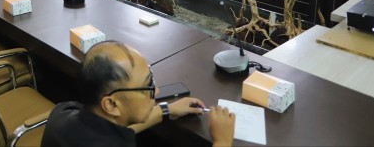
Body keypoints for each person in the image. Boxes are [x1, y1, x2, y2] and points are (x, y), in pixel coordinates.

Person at [41, 41, 235, 147]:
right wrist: (222, 141)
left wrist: (167, 110)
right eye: (147, 86)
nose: (157, 91)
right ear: (111, 104)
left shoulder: (63, 112)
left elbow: (118, 129)